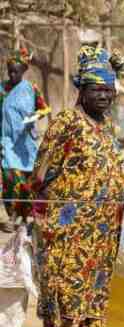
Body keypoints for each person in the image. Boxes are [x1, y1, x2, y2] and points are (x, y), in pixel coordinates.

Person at [31, 45, 124, 327]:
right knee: (65, 294)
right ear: (81, 90)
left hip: (101, 236)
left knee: (96, 296)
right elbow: (40, 175)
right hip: (67, 235)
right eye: (97, 89)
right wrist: (47, 224)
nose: (104, 96)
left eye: (109, 90)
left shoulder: (107, 126)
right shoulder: (66, 123)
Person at [0, 48, 51, 232]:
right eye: (10, 71)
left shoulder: (30, 89)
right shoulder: (2, 90)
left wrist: (34, 117)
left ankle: (23, 217)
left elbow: (45, 109)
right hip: (7, 142)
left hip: (27, 143)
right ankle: (13, 216)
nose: (13, 75)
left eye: (16, 71)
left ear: (23, 71)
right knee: (10, 179)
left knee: (28, 183)